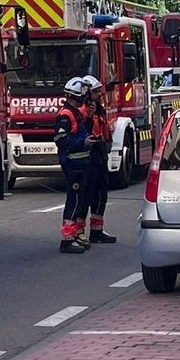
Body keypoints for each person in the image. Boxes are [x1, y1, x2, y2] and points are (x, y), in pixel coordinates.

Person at [54, 76, 95, 254]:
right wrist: (83, 142)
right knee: (74, 200)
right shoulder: (66, 115)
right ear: (77, 95)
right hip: (73, 163)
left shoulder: (76, 112)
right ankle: (67, 240)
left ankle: (76, 235)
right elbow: (61, 140)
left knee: (80, 200)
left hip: (81, 163)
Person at [82, 74, 116, 244]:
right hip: (89, 158)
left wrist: (108, 142)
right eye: (96, 92)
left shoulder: (99, 110)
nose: (100, 95)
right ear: (88, 93)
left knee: (101, 194)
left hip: (100, 154)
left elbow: (104, 128)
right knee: (87, 194)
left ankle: (97, 231)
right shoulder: (83, 111)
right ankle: (78, 233)